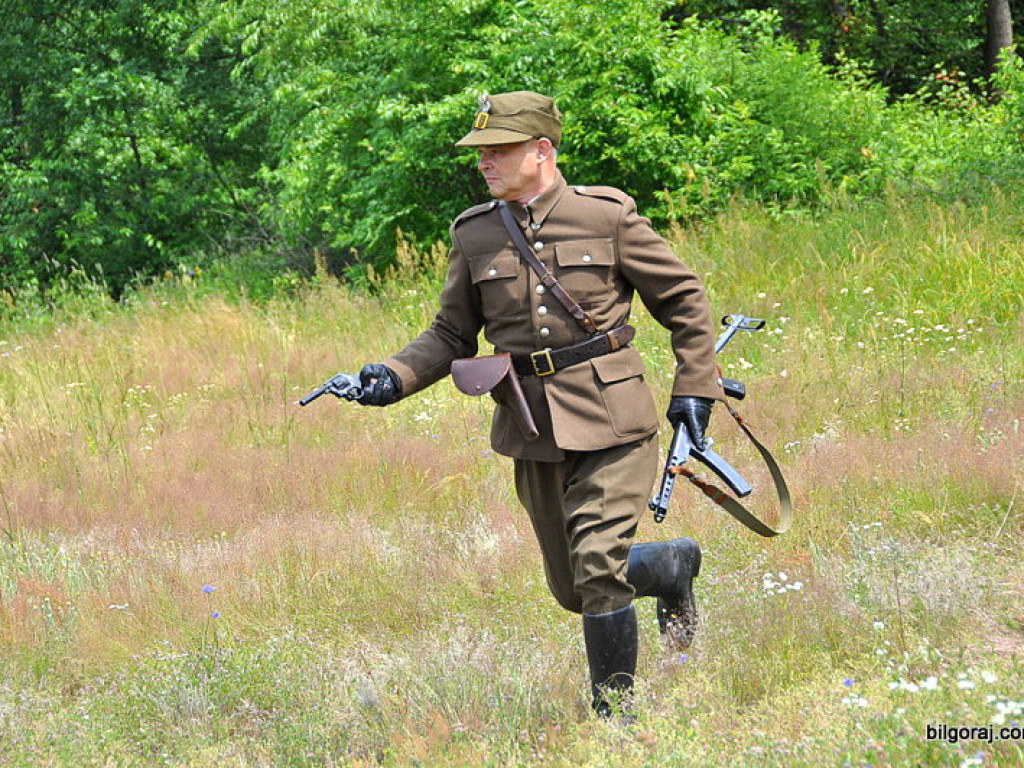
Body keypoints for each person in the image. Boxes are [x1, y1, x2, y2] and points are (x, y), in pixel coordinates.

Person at [355, 91, 724, 718]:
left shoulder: (605, 217)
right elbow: (451, 335)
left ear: (542, 152)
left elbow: (684, 300)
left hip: (613, 419)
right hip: (531, 425)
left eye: (498, 151)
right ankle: (669, 564)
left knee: (597, 567)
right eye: (481, 154)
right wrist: (392, 375)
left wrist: (695, 385)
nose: (484, 163)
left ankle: (617, 724)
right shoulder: (474, 233)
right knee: (572, 588)